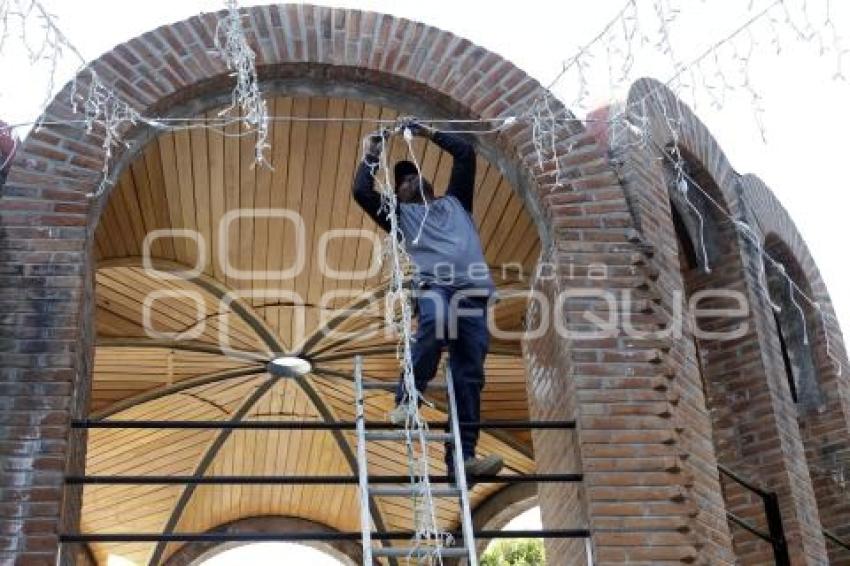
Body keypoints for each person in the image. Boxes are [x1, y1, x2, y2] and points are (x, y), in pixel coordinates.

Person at [351, 118, 503, 479]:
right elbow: (362, 192)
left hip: (474, 297)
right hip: (436, 287)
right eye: (401, 181)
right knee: (433, 323)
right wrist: (372, 154)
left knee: (469, 378)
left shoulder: (456, 202)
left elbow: (465, 154)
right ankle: (407, 399)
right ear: (398, 194)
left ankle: (462, 460)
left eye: (412, 175)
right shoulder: (400, 215)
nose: (408, 180)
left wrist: (428, 133)